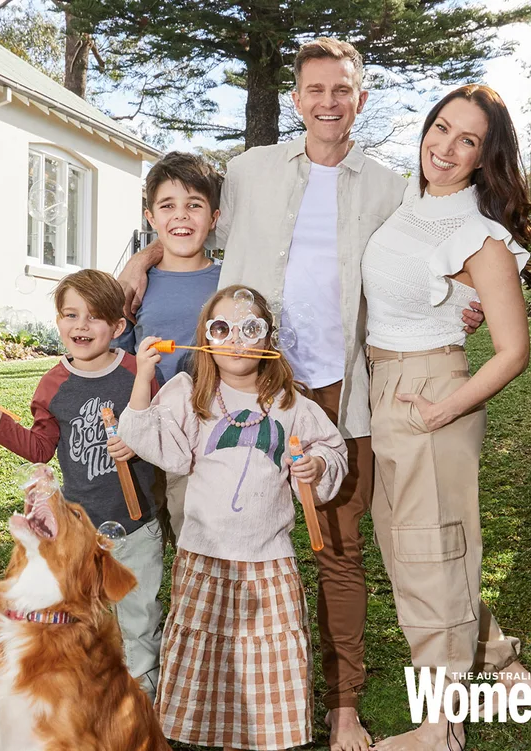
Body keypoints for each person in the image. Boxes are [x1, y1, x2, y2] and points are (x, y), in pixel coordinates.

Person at [117, 38, 485, 750]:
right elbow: (189, 218)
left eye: (341, 89)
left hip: (343, 390)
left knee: (338, 551)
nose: (328, 102)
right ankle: (211, 695)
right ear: (295, 99)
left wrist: (463, 299)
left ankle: (343, 706)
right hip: (246, 381)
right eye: (315, 89)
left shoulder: (390, 188)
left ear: (361, 98)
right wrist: (143, 256)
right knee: (213, 538)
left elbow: (429, 256)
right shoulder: (248, 172)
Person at [361, 84, 531, 750]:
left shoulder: (476, 234)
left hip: (429, 392)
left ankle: (440, 727)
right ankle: (504, 667)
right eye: (441, 127)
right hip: (387, 384)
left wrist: (443, 409)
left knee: (430, 555)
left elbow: (514, 351)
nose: (445, 146)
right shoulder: (413, 201)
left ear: (484, 157)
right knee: (415, 553)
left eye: (467, 140)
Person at [117, 284, 349, 750]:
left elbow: (332, 449)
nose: (236, 340)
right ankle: (214, 734)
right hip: (205, 555)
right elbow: (152, 441)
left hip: (268, 559)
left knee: (267, 656)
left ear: (268, 339)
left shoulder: (292, 404)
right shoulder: (189, 394)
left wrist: (317, 465)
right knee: (209, 655)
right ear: (206, 338)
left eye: (250, 328)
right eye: (222, 328)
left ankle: (258, 737)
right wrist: (143, 376)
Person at [0, 269, 164, 699]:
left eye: (94, 317)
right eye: (71, 315)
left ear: (117, 326)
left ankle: (141, 701)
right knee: (80, 615)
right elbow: (40, 448)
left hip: (136, 522)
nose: (80, 325)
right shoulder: (54, 385)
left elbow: (164, 435)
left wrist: (139, 444)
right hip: (78, 531)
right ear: (58, 322)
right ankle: (86, 696)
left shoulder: (138, 372)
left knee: (140, 616)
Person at [114, 151, 223, 383]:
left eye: (194, 205)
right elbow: (117, 361)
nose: (181, 215)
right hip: (149, 403)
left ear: (213, 219)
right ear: (151, 218)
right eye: (167, 206)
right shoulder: (135, 286)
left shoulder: (229, 281)